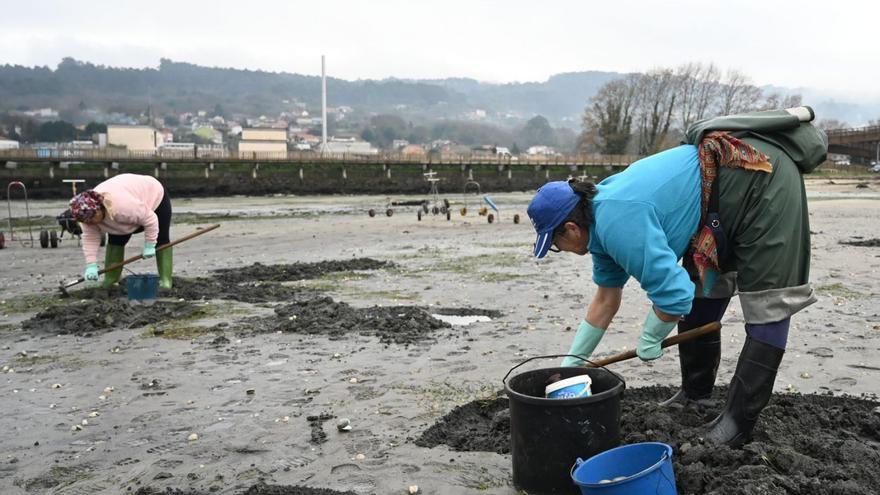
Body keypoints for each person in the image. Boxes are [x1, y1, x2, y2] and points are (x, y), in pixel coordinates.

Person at [527, 107, 827, 447]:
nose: (560, 250)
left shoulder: (616, 219)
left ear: (570, 228)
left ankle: (738, 422)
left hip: (760, 177)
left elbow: (673, 297)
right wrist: (572, 367)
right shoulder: (597, 228)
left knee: (768, 303)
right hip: (715, 202)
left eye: (555, 245)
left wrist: (651, 336)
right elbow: (605, 300)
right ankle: (696, 394)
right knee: (704, 288)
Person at [69, 173, 174, 289]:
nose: (90, 223)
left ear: (99, 209)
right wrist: (91, 265)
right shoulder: (86, 215)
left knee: (162, 239)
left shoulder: (121, 207)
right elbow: (90, 238)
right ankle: (111, 280)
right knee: (116, 241)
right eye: (86, 222)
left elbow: (150, 219)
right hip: (124, 208)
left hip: (153, 197)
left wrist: (150, 245)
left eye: (92, 219)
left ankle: (166, 281)